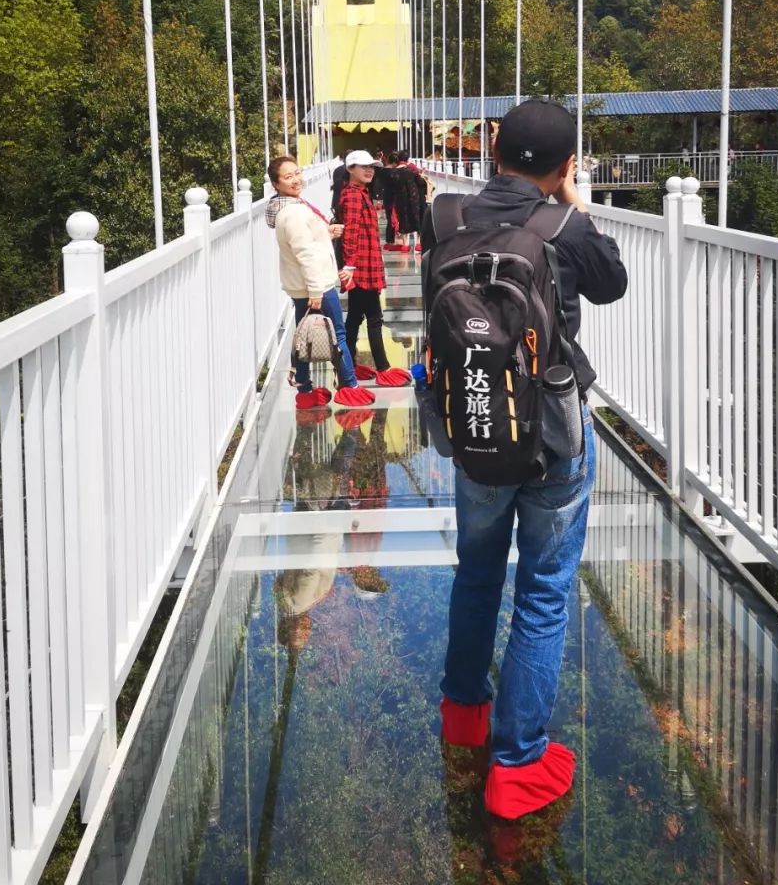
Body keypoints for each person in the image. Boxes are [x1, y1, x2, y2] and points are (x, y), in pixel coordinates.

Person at [421, 99, 628, 820]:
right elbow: (611, 283)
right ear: (566, 165)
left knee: (477, 573)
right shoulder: (564, 224)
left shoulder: (444, 217)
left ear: (492, 153)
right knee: (542, 591)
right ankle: (518, 763)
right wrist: (575, 201)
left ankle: (463, 712)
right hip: (552, 440)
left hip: (473, 432)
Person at [267, 155, 374, 411]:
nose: (296, 180)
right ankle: (349, 386)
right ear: (276, 184)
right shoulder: (293, 213)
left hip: (303, 285)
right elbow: (305, 253)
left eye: (297, 173)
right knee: (338, 334)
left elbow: (305, 242)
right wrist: (316, 289)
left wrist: (326, 232)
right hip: (315, 286)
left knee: (302, 336)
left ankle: (304, 387)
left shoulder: (290, 206)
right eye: (287, 177)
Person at [335, 150, 411, 386]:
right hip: (361, 268)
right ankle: (382, 367)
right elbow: (351, 234)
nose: (369, 170)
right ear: (350, 169)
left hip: (364, 265)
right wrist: (349, 266)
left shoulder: (358, 193)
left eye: (372, 166)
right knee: (374, 318)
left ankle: (348, 365)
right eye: (362, 166)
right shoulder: (353, 197)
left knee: (356, 318)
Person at [383, 151, 426, 252]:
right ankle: (418, 243)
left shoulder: (393, 173)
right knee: (418, 218)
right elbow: (421, 183)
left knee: (403, 219)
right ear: (407, 159)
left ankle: (405, 245)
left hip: (400, 199)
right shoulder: (412, 171)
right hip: (414, 199)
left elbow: (389, 188)